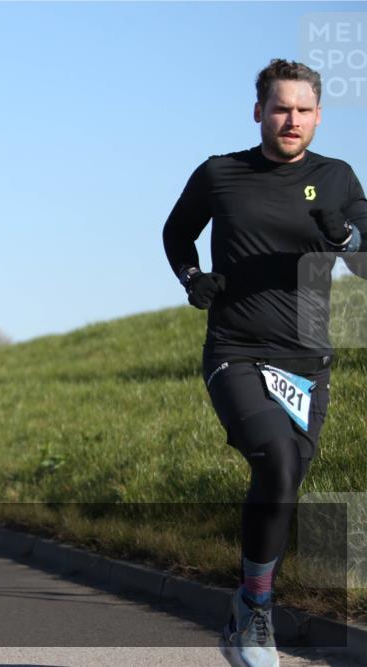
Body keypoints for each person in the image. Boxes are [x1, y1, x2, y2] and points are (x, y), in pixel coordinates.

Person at [162, 59, 366, 667]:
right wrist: (192, 277)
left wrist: (346, 240)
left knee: (284, 480)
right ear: (259, 112)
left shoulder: (338, 178)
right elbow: (177, 231)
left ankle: (241, 609)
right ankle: (256, 610)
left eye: (303, 111)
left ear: (319, 116)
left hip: (308, 362)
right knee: (276, 459)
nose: (291, 120)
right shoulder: (221, 174)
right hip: (236, 350)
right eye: (280, 108)